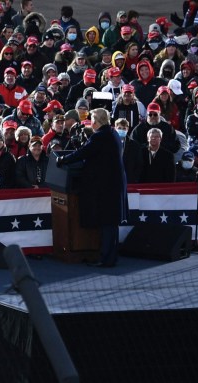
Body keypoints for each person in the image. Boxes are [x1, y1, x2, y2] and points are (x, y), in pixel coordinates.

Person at [56, 107, 128, 267]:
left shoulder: (100, 137)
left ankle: (106, 258)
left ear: (96, 121)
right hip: (113, 185)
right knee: (111, 223)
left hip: (106, 187)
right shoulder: (113, 133)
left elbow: (83, 152)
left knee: (107, 223)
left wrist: (62, 159)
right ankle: (110, 256)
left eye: (92, 120)